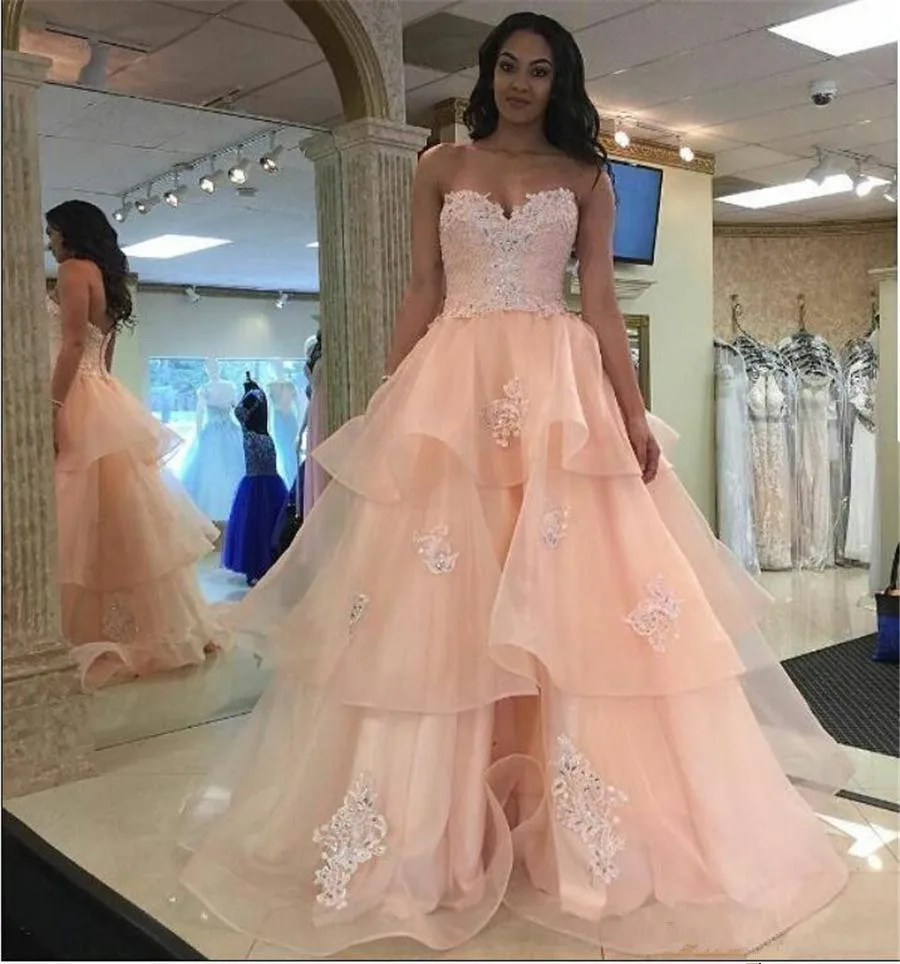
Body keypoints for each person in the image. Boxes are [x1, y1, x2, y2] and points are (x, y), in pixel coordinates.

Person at [178, 14, 850, 956]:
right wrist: (390, 397)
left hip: (555, 389)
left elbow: (601, 302)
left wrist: (631, 413)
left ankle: (576, 829)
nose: (522, 83)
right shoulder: (438, 166)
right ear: (487, 74)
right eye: (508, 66)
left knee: (569, 599)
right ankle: (431, 834)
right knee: (442, 600)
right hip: (454, 385)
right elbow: (422, 286)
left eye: (540, 70)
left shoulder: (586, 177)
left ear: (559, 82)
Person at [46, 200, 223, 690]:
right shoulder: (106, 276)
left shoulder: (72, 270)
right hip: (101, 391)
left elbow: (73, 343)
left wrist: (54, 406)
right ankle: (134, 626)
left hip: (76, 394)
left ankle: (71, 630)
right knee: (114, 514)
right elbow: (102, 352)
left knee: (75, 513)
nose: (49, 240)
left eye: (52, 231)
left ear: (69, 231)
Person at [221, 375, 288, 586]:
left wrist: (234, 405)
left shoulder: (254, 394)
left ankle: (258, 563)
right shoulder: (257, 394)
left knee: (257, 499)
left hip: (255, 443)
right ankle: (266, 561)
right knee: (263, 492)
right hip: (262, 443)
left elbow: (240, 414)